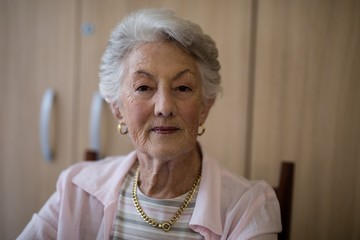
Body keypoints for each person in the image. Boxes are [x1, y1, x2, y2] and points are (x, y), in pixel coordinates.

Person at [18, 8, 281, 240]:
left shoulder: (248, 206)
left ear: (205, 107)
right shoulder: (77, 189)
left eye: (183, 87)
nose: (164, 106)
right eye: (143, 87)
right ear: (118, 109)